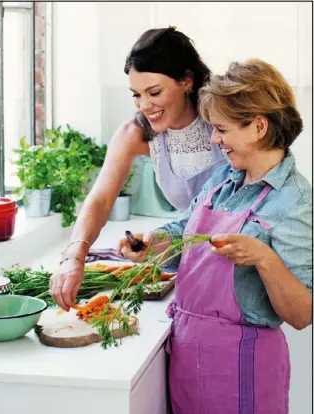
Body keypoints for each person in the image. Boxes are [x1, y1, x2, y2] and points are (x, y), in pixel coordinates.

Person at [118, 59, 313, 414]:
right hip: (188, 355)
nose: (214, 139)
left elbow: (302, 314)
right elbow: (186, 234)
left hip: (243, 368)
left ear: (257, 126)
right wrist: (153, 244)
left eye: (221, 129)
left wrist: (264, 259)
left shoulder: (295, 201)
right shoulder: (225, 178)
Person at [50, 27, 226, 310]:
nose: (145, 105)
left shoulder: (223, 122)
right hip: (191, 263)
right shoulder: (136, 133)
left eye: (154, 92)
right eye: (136, 94)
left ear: (187, 81)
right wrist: (73, 258)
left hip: (240, 261)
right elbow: (100, 199)